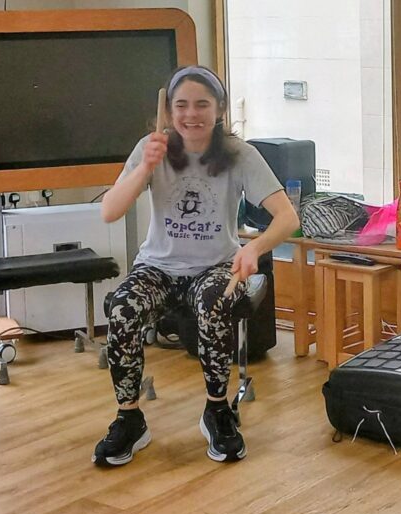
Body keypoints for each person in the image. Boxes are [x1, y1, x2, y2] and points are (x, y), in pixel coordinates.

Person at [93, 65, 299, 466]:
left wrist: (255, 248)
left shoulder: (240, 154)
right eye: (181, 105)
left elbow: (288, 218)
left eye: (202, 104)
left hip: (215, 266)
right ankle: (129, 417)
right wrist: (145, 168)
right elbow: (109, 211)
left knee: (214, 303)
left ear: (219, 108)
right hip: (158, 266)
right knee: (123, 309)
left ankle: (217, 410)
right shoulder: (150, 147)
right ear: (168, 112)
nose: (192, 115)